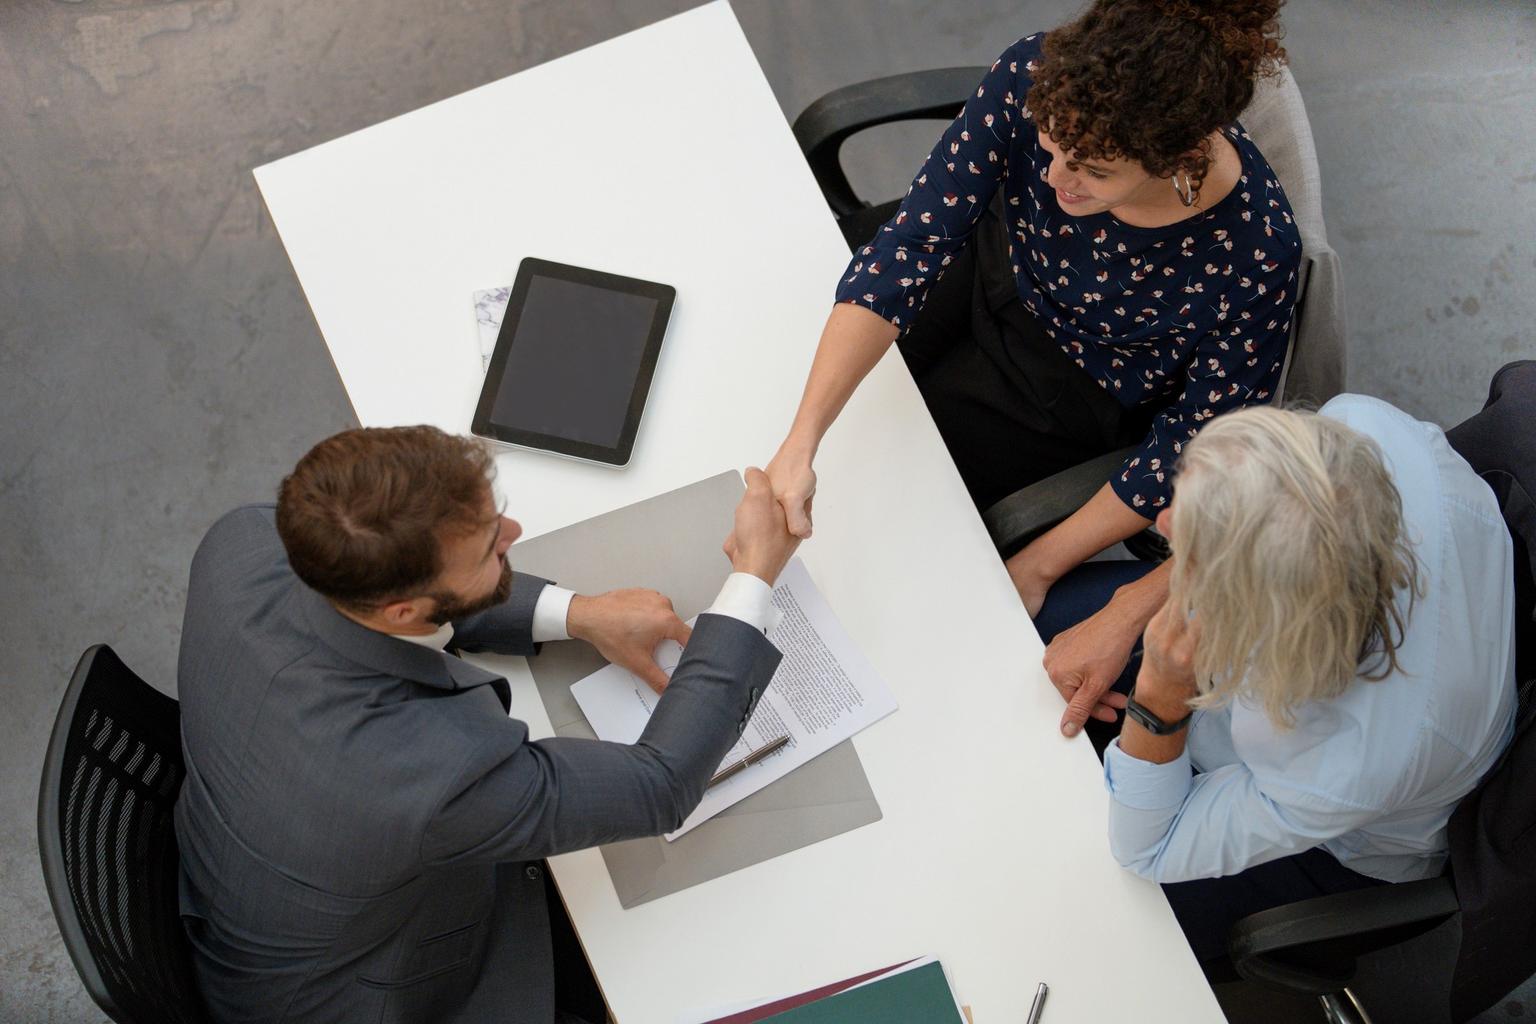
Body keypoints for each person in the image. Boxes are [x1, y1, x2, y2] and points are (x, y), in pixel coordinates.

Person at [762, 0, 1300, 737]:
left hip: (1073, 390)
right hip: (991, 270)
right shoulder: (1034, 74)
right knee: (810, 427)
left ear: (1177, 159)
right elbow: (912, 247)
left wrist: (1042, 563)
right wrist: (802, 440)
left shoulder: (1255, 250)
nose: (1054, 180)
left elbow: (1192, 446)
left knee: (896, 545)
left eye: (1094, 172)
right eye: (1049, 148)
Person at [173, 426, 800, 1024]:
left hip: (275, 886)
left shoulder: (245, 543)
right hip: (370, 997)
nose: (515, 531)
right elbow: (660, 786)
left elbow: (392, 603)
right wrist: (752, 576)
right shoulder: (429, 775)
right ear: (405, 609)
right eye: (487, 548)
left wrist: (577, 614)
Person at [1033, 397, 1518, 965]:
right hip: (1276, 630)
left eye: (1190, 537)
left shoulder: (1346, 761)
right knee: (1029, 639)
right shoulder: (1363, 429)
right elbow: (1264, 512)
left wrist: (1160, 698)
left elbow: (1149, 846)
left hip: (1334, 847)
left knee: (1083, 921)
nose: (1162, 524)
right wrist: (1128, 609)